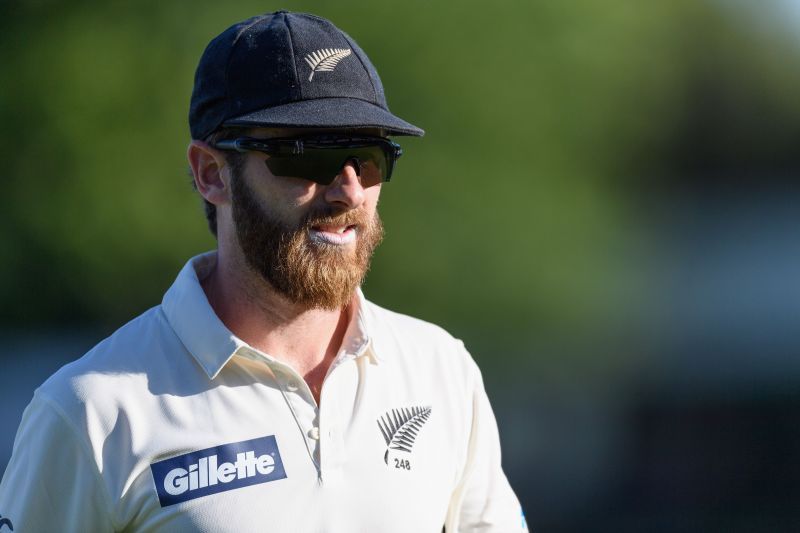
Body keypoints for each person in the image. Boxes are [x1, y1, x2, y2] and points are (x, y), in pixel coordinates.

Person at [0, 11, 527, 532]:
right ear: (212, 174)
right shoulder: (90, 413)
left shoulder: (441, 371)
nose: (349, 192)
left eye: (368, 157)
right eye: (308, 155)